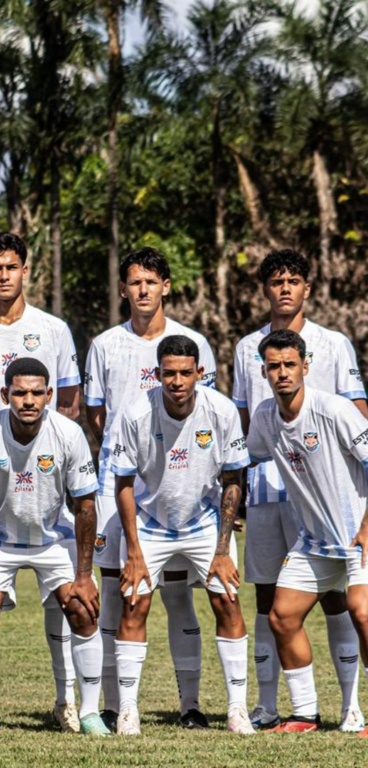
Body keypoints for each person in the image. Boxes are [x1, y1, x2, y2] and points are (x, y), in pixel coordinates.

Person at [0, 232, 83, 733]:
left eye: (12, 267)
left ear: (26, 271)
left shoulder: (54, 329)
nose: (4, 275)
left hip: (46, 483)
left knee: (63, 599)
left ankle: (67, 702)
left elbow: (68, 400)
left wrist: (46, 452)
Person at [233, 249, 367, 731]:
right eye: (274, 367)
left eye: (289, 365)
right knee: (277, 610)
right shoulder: (260, 393)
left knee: (356, 610)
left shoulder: (333, 380)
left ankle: (355, 709)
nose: (282, 372)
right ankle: (294, 710)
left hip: (350, 520)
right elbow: (240, 446)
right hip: (294, 518)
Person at [84, 247, 217, 729]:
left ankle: (191, 705)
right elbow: (97, 415)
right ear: (123, 289)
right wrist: (128, 459)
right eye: (134, 282)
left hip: (178, 492)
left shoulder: (192, 342)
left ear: (166, 286)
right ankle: (115, 706)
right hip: (116, 487)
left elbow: (208, 414)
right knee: (117, 593)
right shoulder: (104, 344)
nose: (142, 290)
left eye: (151, 281)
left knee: (179, 595)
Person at [110, 335, 254, 736]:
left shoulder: (221, 411)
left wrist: (223, 550)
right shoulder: (137, 412)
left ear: (199, 374)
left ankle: (237, 710)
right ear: (157, 375)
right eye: (168, 373)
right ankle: (127, 711)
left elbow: (232, 480)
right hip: (150, 522)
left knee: (226, 601)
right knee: (134, 605)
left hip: (203, 522)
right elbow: (122, 483)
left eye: (185, 373)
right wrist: (135, 550)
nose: (177, 381)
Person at [0, 357, 108, 737]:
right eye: (20, 393)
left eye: (37, 393)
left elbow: (86, 506)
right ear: (5, 394)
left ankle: (86, 712)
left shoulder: (69, 434)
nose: (28, 400)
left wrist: (86, 575)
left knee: (83, 608)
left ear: (49, 396)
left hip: (53, 539)